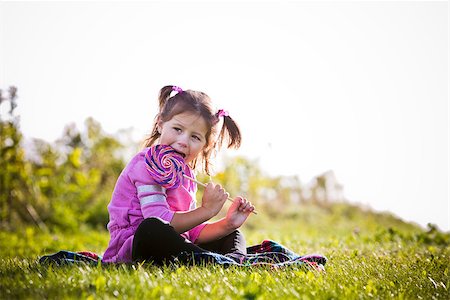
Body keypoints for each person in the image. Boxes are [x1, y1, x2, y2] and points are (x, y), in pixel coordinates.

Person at [103, 85, 255, 264]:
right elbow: (161, 219)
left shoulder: (186, 175)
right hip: (134, 246)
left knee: (232, 235)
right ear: (160, 124)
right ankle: (213, 261)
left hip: (175, 245)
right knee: (152, 228)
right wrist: (207, 210)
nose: (183, 141)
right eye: (177, 129)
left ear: (205, 145)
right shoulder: (146, 165)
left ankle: (228, 261)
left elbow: (190, 231)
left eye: (195, 137)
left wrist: (228, 223)